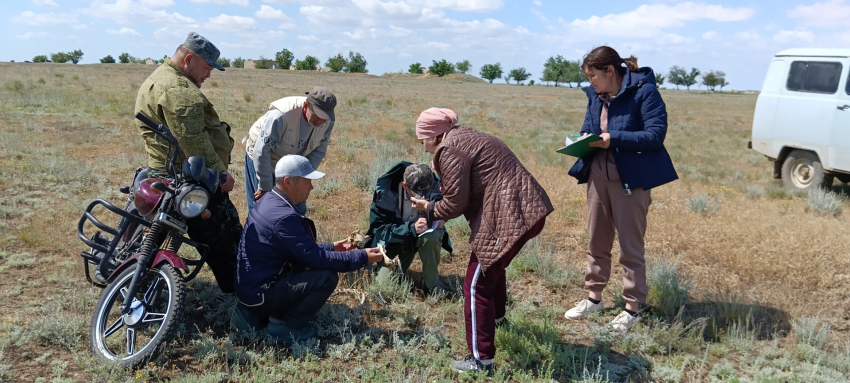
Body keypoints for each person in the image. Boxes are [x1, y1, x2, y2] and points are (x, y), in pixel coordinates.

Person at [408, 108, 554, 374]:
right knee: (491, 269)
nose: (424, 148)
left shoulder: (448, 149)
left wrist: (429, 208)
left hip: (506, 215)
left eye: (424, 141)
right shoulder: (465, 136)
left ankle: (481, 359)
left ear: (435, 136)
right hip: (527, 208)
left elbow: (455, 203)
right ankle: (497, 320)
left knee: (475, 285)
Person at [564, 46, 678, 331]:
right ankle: (594, 298)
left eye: (594, 76)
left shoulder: (644, 92)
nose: (591, 81)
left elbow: (654, 135)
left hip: (631, 181)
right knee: (596, 241)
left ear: (610, 71)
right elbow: (589, 126)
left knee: (630, 247)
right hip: (597, 179)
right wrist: (584, 138)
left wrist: (612, 138)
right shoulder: (596, 96)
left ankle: (632, 307)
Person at [134, 32, 242, 293]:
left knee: (154, 234)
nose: (208, 75)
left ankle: (136, 279)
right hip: (192, 179)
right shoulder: (176, 89)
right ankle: (242, 291)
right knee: (226, 240)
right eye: (206, 68)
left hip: (167, 173)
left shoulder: (162, 77)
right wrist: (219, 175)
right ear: (189, 59)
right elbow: (193, 140)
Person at [233, 155, 383, 343]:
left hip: (251, 288)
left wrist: (331, 247)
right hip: (260, 294)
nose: (311, 187)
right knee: (326, 277)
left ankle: (256, 314)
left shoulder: (271, 200)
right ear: (288, 182)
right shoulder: (284, 217)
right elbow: (314, 259)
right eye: (307, 182)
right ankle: (283, 327)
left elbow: (295, 250)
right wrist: (362, 257)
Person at [242, 87, 337, 212]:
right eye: (318, 115)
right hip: (264, 158)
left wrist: (304, 181)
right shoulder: (280, 115)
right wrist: (264, 186)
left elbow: (318, 152)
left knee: (297, 208)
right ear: (305, 106)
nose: (320, 121)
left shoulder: (327, 122)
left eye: (324, 117)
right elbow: (261, 151)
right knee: (262, 209)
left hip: (291, 167)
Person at [366, 162, 452, 295]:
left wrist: (441, 217)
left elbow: (452, 204)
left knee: (432, 237)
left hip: (423, 237)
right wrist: (411, 229)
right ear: (405, 186)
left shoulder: (435, 184)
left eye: (427, 193)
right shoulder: (385, 194)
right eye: (418, 193)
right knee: (384, 287)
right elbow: (380, 228)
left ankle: (432, 286)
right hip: (395, 242)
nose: (424, 197)